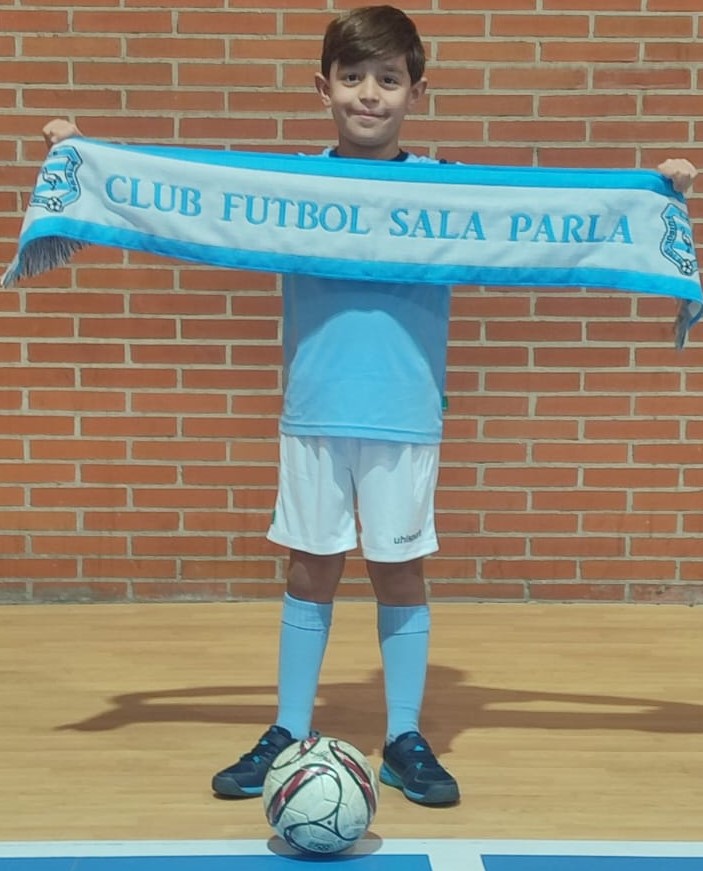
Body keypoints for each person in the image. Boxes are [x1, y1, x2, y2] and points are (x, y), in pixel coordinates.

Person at [43, 5, 698, 809]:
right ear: (322, 88)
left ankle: (404, 736)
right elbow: (176, 191)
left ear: (416, 92)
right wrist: (82, 158)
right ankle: (288, 726)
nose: (368, 94)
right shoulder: (287, 187)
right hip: (315, 409)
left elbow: (560, 212)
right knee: (310, 565)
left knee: (398, 570)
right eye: (351, 77)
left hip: (404, 412)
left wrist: (654, 192)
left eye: (387, 79)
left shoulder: (448, 191)